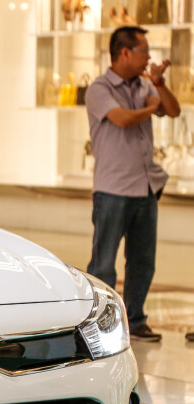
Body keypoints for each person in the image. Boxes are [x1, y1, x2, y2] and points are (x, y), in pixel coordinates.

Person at [85, 26, 180, 342]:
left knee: (142, 260)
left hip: (146, 187)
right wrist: (152, 108)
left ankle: (136, 319)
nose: (148, 57)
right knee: (103, 262)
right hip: (112, 188)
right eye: (144, 51)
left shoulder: (146, 85)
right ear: (124, 52)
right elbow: (123, 118)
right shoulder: (99, 88)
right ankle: (99, 322)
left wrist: (159, 84)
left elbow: (174, 109)